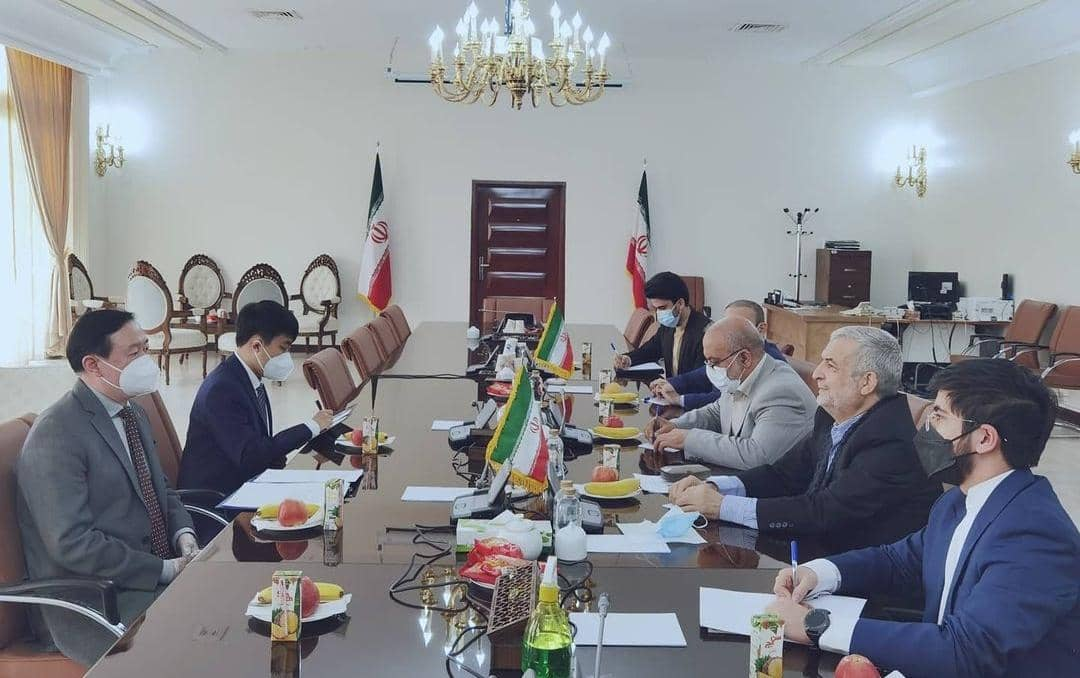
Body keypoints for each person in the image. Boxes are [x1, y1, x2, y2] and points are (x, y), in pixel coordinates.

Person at [766, 359, 1079, 678]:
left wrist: (815, 626)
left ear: (984, 439)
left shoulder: (1035, 537)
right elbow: (900, 560)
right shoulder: (959, 500)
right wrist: (819, 573)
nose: (925, 428)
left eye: (939, 416)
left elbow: (965, 650)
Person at [15, 309, 197, 667]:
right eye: (134, 353)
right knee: (198, 640)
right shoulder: (56, 433)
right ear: (93, 365)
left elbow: (159, 488)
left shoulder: (132, 412)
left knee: (232, 610)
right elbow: (73, 544)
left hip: (146, 575)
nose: (146, 361)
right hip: (94, 598)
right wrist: (162, 570)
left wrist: (184, 534)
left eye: (146, 349)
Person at [669, 326, 940, 551]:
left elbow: (824, 511)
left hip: (861, 578)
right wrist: (717, 487)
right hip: (817, 554)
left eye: (830, 365)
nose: (816, 373)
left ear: (867, 382)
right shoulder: (830, 417)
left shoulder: (893, 442)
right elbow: (783, 475)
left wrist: (722, 507)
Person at [179, 300, 333, 496]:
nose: (286, 357)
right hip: (217, 497)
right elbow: (251, 455)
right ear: (257, 346)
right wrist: (310, 427)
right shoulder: (221, 389)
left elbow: (261, 447)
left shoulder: (248, 377)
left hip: (246, 481)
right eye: (283, 348)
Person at [644, 317, 816, 469]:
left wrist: (689, 439)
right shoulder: (740, 376)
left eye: (714, 362)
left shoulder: (780, 392)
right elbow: (716, 412)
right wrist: (676, 425)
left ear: (744, 358)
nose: (710, 369)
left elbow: (757, 455)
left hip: (778, 489)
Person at [650, 299, 787, 410]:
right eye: (726, 325)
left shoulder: (766, 362)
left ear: (761, 329)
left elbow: (725, 401)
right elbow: (703, 374)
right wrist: (672, 384)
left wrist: (680, 400)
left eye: (740, 326)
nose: (729, 332)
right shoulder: (733, 351)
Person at [614, 271, 710, 377]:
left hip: (685, 388)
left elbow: (700, 377)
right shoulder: (669, 326)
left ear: (680, 304)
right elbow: (651, 350)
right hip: (670, 386)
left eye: (662, 308)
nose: (658, 313)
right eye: (655, 309)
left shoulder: (705, 333)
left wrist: (670, 384)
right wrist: (628, 359)